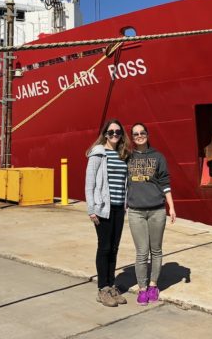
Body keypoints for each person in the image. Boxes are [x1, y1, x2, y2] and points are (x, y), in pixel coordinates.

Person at [126, 122, 176, 305]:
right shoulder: (127, 157)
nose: (139, 135)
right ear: (132, 138)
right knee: (141, 252)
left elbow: (165, 182)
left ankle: (153, 285)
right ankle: (142, 288)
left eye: (142, 132)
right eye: (136, 133)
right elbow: (121, 180)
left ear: (147, 134)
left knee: (156, 250)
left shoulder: (158, 157)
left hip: (157, 210)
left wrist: (171, 206)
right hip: (136, 212)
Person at [85, 119, 129, 307]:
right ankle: (102, 289)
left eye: (117, 132)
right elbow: (90, 184)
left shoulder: (122, 155)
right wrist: (91, 209)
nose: (114, 135)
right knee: (104, 247)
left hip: (119, 207)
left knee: (114, 247)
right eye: (110, 132)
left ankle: (111, 285)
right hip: (103, 209)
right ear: (105, 134)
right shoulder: (98, 154)